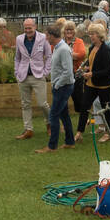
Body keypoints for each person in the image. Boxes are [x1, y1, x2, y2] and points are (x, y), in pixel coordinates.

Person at [36, 24, 76, 153]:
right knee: (64, 115)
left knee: (53, 115)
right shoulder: (58, 48)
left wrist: (57, 84)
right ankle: (70, 142)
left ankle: (51, 146)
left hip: (63, 87)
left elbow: (68, 72)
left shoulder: (63, 49)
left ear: (52, 36)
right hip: (61, 86)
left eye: (47, 36)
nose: (46, 38)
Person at [13, 18, 51, 141]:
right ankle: (28, 129)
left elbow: (49, 56)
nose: (28, 30)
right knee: (25, 104)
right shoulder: (19, 39)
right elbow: (17, 57)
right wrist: (17, 72)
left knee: (42, 103)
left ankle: (50, 123)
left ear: (35, 27)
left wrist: (46, 72)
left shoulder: (43, 38)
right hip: (23, 76)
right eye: (26, 28)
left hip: (38, 75)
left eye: (30, 28)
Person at [80, 22, 110, 141]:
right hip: (91, 83)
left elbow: (107, 70)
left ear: (99, 35)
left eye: (93, 34)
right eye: (90, 33)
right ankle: (79, 132)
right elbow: (93, 64)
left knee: (106, 108)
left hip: (104, 85)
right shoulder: (91, 48)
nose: (91, 36)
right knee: (84, 106)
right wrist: (88, 68)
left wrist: (92, 73)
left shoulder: (105, 49)